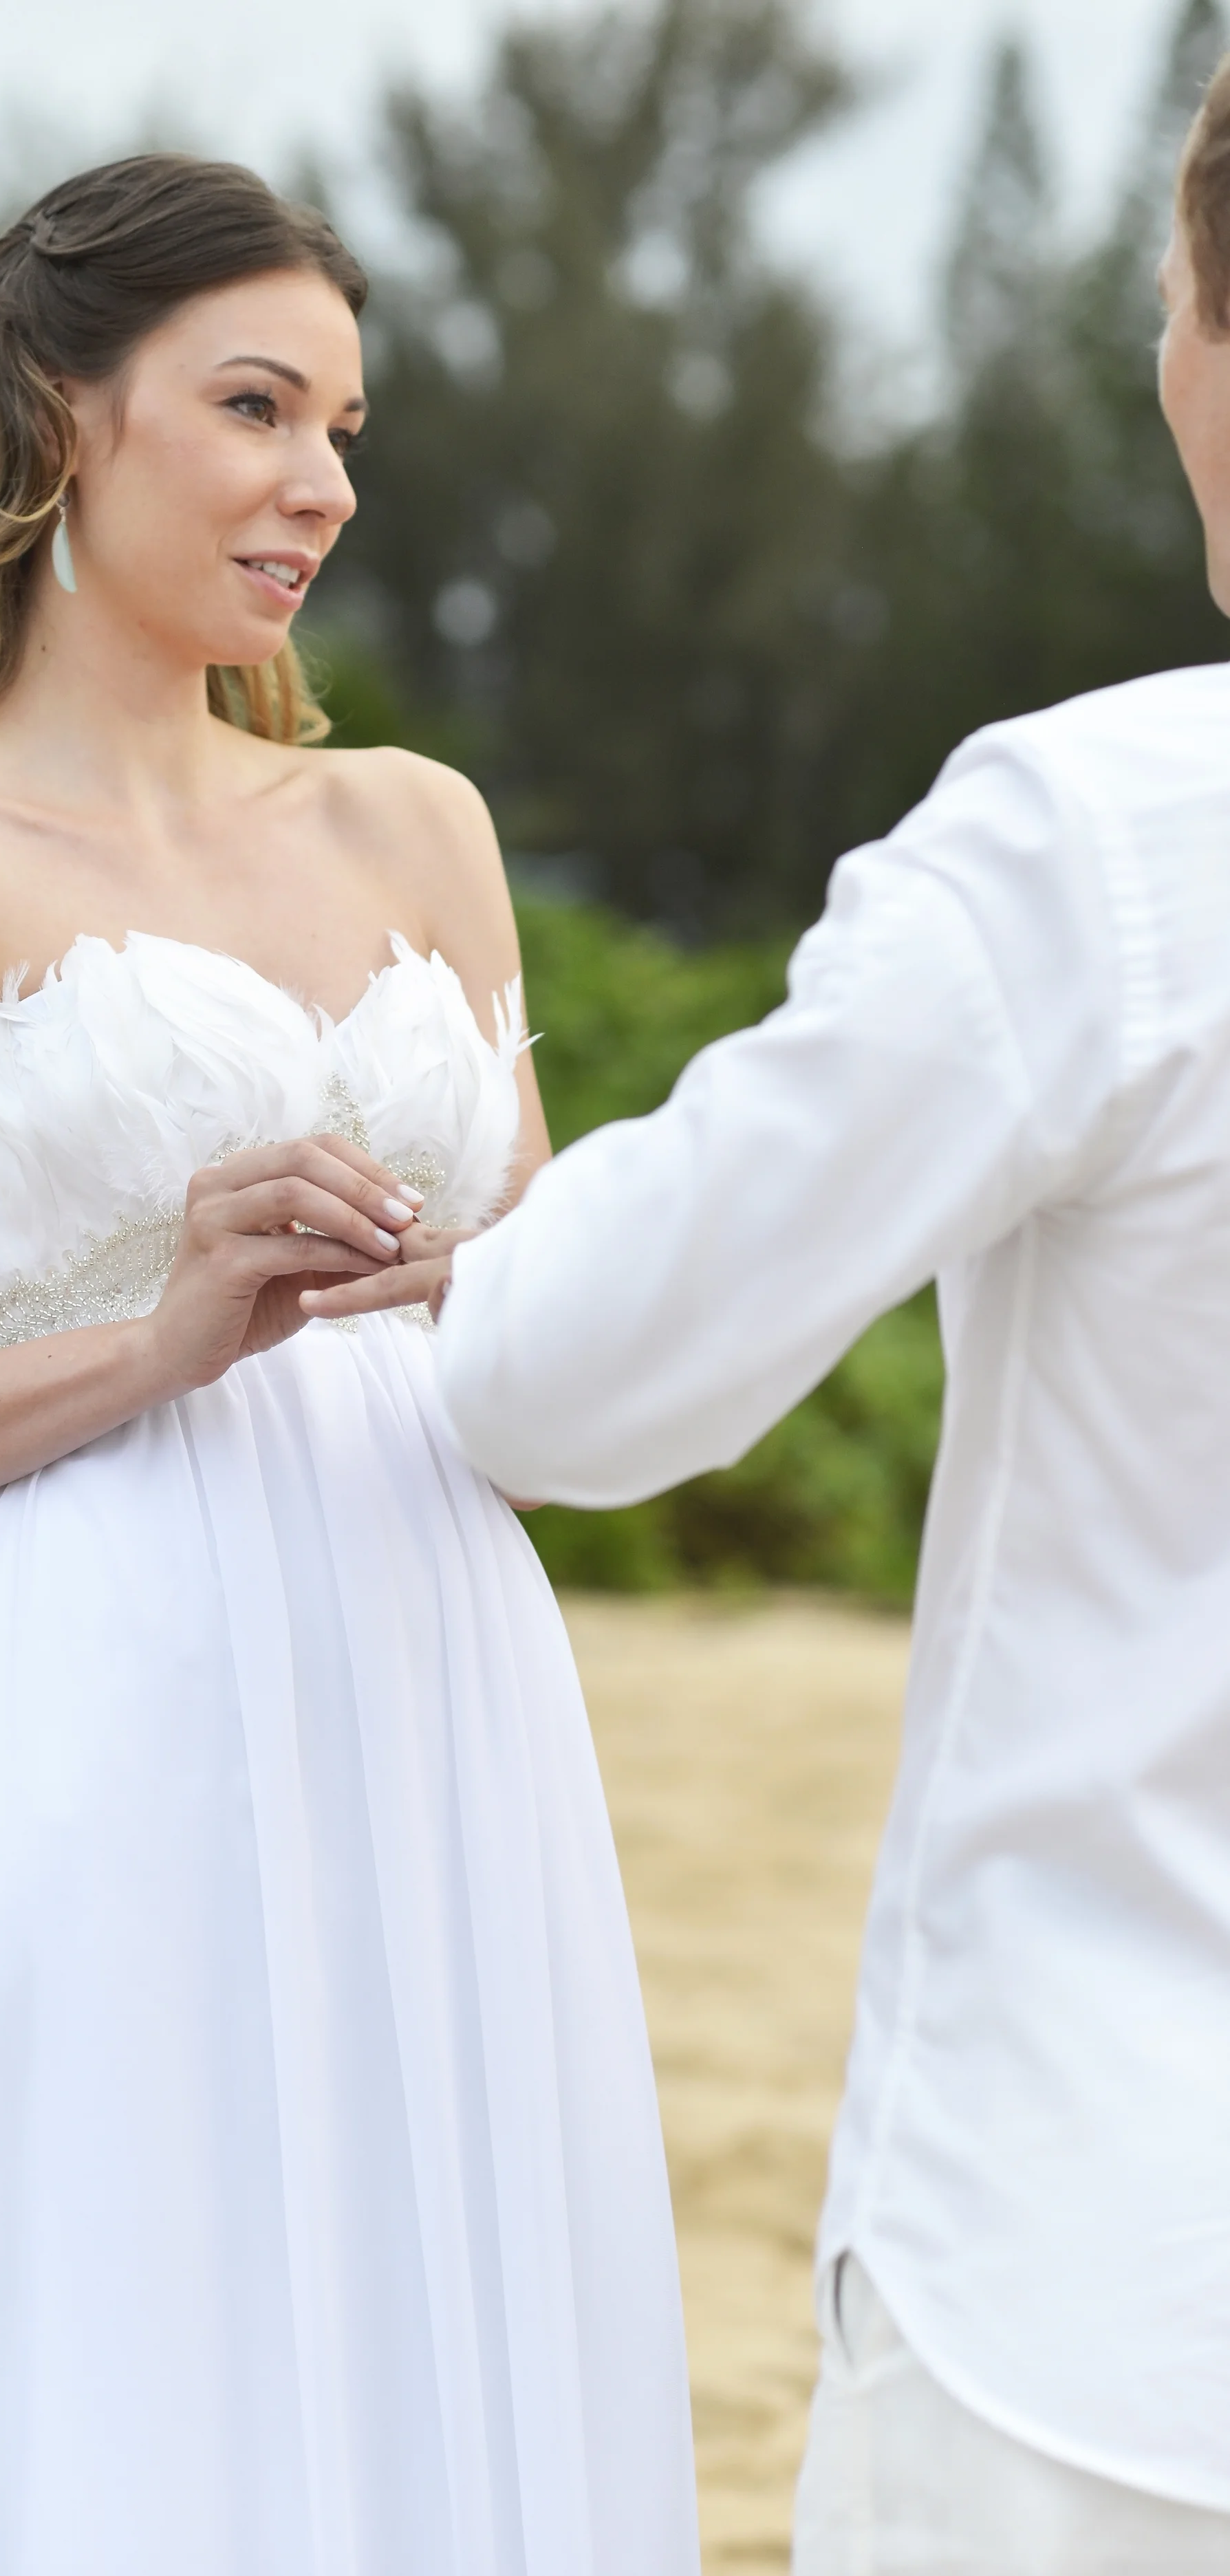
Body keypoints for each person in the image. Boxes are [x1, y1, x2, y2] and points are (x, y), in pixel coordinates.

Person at [0, 157, 699, 2575]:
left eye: (344, 427)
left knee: (429, 2349)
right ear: (56, 413)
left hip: (446, 1702)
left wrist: (586, 1276)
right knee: (108, 2360)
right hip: (93, 1713)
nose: (318, 481)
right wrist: (149, 1345)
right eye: (252, 406)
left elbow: (533, 1309)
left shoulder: (419, 823)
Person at [308, 56, 1230, 2576]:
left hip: (1111, 2298)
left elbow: (579, 1383)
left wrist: (479, 1248)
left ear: (1204, 349)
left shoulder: (1102, 845)